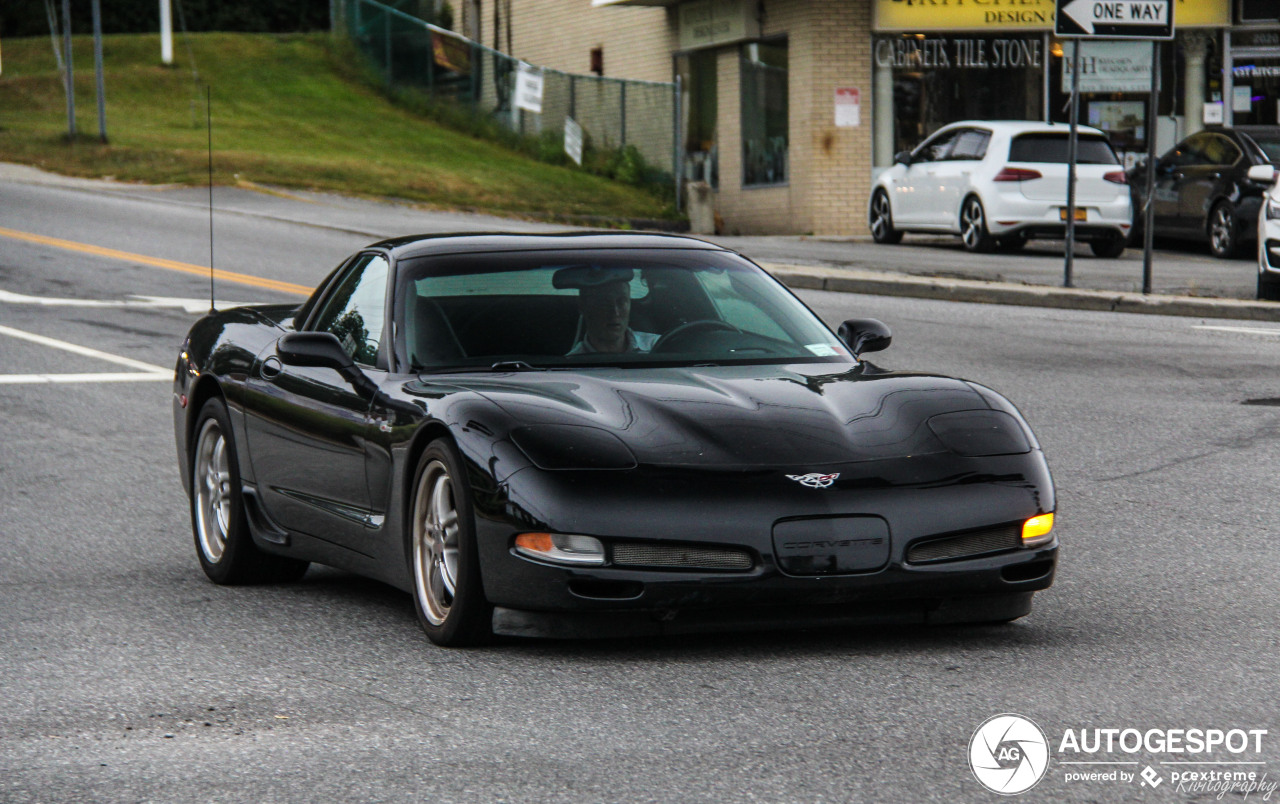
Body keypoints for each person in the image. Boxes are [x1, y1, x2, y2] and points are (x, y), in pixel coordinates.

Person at [553, 265, 659, 355]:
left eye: (621, 302)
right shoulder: (571, 365)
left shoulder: (658, 346)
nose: (615, 312)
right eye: (604, 303)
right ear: (583, 307)